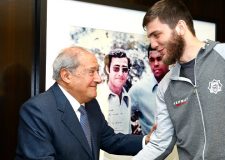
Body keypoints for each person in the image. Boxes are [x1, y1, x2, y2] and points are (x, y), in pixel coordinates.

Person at [133, 0, 225, 160]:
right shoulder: (165, 87)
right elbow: (160, 144)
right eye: (150, 38)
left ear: (180, 28)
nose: (153, 44)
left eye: (157, 35)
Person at [16, 46, 146, 160]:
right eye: (91, 72)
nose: (99, 79)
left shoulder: (91, 105)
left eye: (97, 71)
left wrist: (148, 140)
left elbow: (110, 140)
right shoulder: (37, 111)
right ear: (66, 76)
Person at [129, 45, 169, 135]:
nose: (155, 64)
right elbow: (124, 116)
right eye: (152, 60)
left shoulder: (179, 85)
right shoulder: (138, 90)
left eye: (159, 59)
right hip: (152, 146)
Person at [97, 48, 134, 134]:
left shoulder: (127, 98)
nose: (121, 73)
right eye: (116, 69)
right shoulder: (96, 96)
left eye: (124, 69)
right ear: (107, 69)